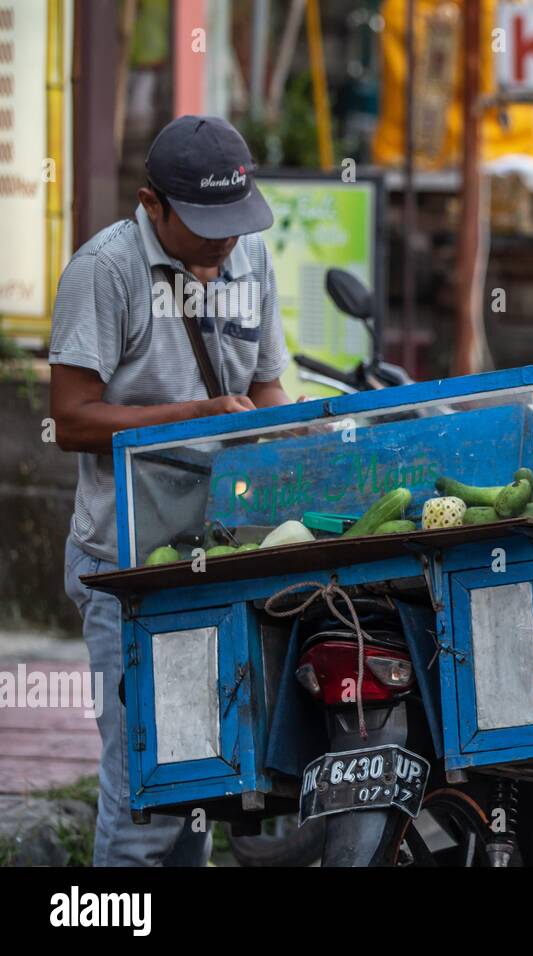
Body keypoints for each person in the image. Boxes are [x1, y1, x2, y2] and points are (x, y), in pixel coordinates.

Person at [48, 115, 293, 866]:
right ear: (152, 204)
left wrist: (313, 451)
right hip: (128, 568)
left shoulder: (249, 256)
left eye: (235, 222)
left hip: (228, 557)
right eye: (205, 224)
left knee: (208, 785)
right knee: (145, 796)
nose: (225, 240)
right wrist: (195, 417)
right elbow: (71, 418)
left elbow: (268, 387)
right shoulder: (106, 269)